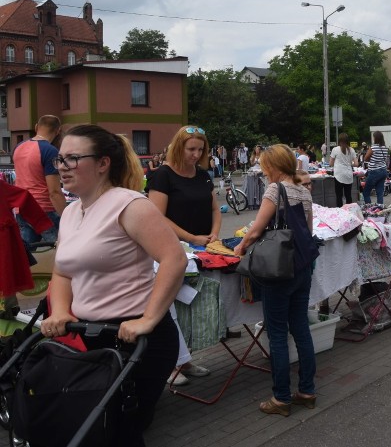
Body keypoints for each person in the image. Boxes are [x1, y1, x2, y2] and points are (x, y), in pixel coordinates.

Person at [39, 124, 186, 446]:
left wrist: (148, 318)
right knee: (99, 426)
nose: (62, 167)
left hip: (138, 341)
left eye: (73, 159)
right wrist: (61, 311)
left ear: (103, 163)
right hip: (93, 336)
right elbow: (63, 272)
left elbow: (174, 259)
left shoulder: (130, 205)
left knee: (120, 428)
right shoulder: (71, 212)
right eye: (59, 160)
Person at [233, 145, 317, 417]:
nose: (262, 170)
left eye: (265, 165)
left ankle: (281, 398)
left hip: (279, 269)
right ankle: (307, 391)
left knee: (278, 333)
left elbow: (257, 229)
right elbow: (308, 229)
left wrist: (240, 247)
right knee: (301, 328)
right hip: (302, 266)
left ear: (274, 167)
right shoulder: (304, 191)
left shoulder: (275, 189)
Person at [147, 125, 219, 384]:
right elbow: (157, 216)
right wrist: (191, 238)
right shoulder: (163, 175)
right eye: (191, 149)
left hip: (202, 249)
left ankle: (184, 360)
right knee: (171, 308)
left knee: (193, 305)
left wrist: (213, 235)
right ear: (179, 147)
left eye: (200, 150)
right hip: (171, 251)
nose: (196, 154)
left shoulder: (202, 174)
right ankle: (173, 363)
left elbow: (215, 209)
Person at [12, 114, 65, 246]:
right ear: (58, 131)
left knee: (26, 253)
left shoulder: (18, 147)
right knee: (60, 249)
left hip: (22, 208)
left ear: (36, 127)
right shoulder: (50, 151)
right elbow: (54, 191)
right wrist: (67, 215)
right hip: (44, 210)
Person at [330, 133, 357, 206]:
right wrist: (349, 164)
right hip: (348, 175)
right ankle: (350, 211)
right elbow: (356, 164)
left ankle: (340, 212)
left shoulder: (335, 149)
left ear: (339, 141)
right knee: (348, 195)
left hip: (339, 175)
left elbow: (331, 163)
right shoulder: (352, 150)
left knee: (339, 196)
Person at [362, 131, 389, 205]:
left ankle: (369, 208)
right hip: (383, 170)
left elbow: (365, 158)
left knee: (366, 192)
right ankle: (379, 209)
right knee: (379, 192)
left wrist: (372, 159)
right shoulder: (385, 148)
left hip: (374, 171)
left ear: (375, 138)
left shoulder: (373, 147)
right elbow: (384, 159)